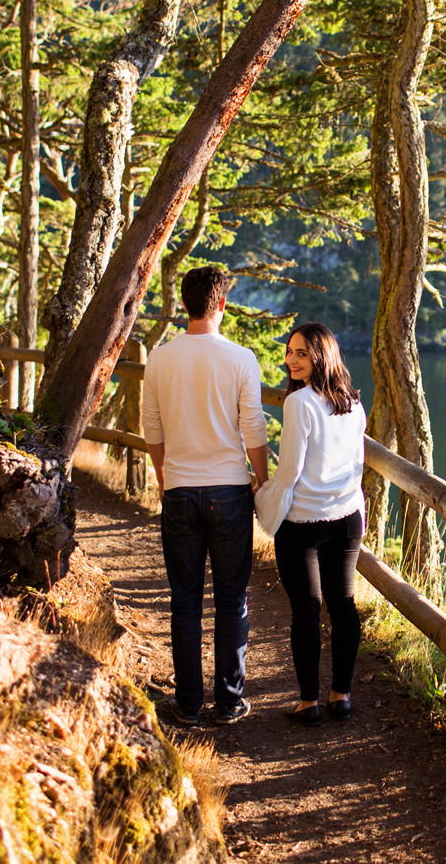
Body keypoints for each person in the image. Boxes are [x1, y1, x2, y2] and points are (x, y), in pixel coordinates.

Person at [141, 265, 269, 727]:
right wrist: (261, 480)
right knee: (232, 599)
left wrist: (163, 474)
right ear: (222, 304)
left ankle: (189, 704)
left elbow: (151, 428)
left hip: (179, 490)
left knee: (185, 600)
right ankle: (231, 701)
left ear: (184, 304)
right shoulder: (241, 358)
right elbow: (253, 426)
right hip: (230, 492)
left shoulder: (160, 358)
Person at [254, 322, 367, 727]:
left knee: (306, 610)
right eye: (289, 352)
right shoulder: (353, 403)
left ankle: (309, 703)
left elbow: (289, 472)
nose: (292, 360)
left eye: (302, 352)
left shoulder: (299, 403)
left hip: (304, 522)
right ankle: (341, 696)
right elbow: (357, 465)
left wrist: (262, 498)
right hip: (346, 518)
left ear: (323, 355)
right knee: (342, 605)